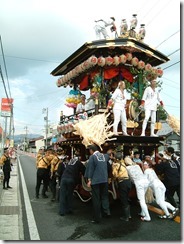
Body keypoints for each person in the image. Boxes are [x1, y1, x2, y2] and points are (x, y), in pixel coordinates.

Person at [85, 144, 111, 223]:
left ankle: (97, 218)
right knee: (104, 196)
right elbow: (108, 155)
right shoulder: (104, 156)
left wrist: (89, 180)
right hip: (104, 180)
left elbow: (90, 169)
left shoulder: (92, 157)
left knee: (96, 199)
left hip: (96, 181)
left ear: (91, 150)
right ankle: (107, 212)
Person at [124, 156, 151, 221]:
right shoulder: (137, 166)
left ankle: (147, 217)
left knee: (141, 200)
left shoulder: (127, 168)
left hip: (139, 184)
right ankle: (143, 212)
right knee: (143, 198)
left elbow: (128, 177)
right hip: (145, 182)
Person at [112, 152, 132, 221]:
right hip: (128, 182)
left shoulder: (116, 165)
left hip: (122, 183)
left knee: (123, 199)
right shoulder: (123, 164)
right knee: (126, 198)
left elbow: (115, 175)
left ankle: (126, 217)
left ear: (116, 158)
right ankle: (129, 215)